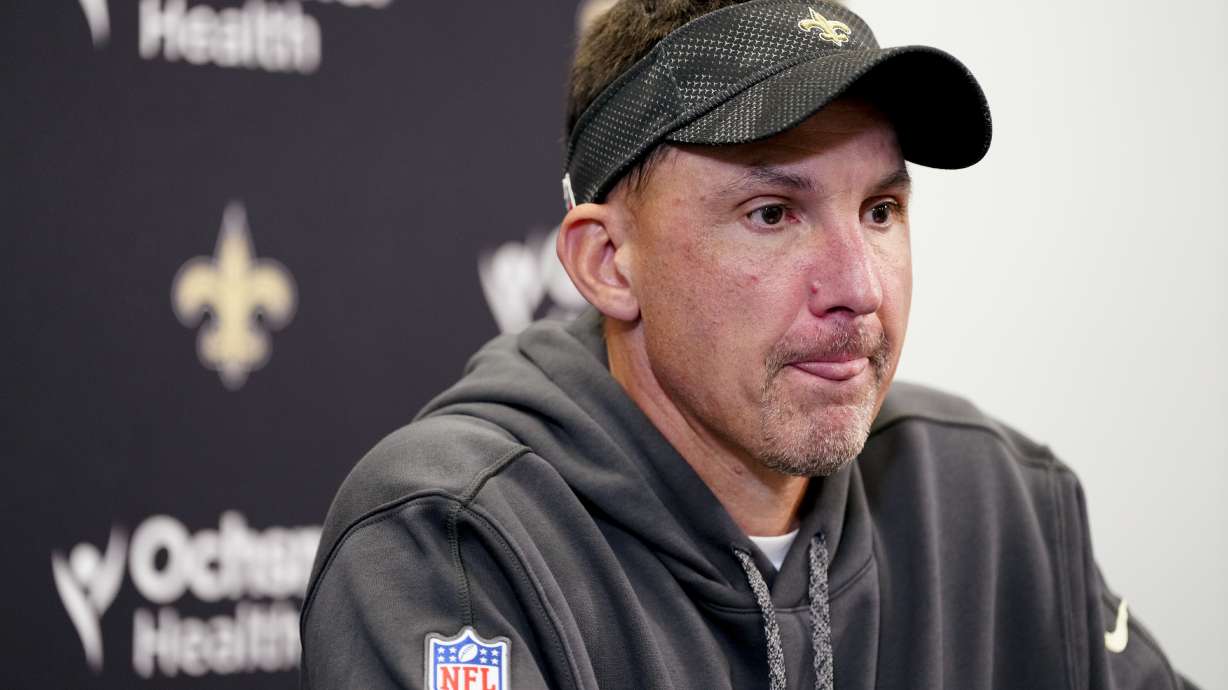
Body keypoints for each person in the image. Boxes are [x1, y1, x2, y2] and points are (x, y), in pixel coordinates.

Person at [301, 1, 1197, 688]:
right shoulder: (450, 543)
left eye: (880, 211)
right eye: (773, 214)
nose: (859, 288)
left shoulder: (1000, 501)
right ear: (609, 262)